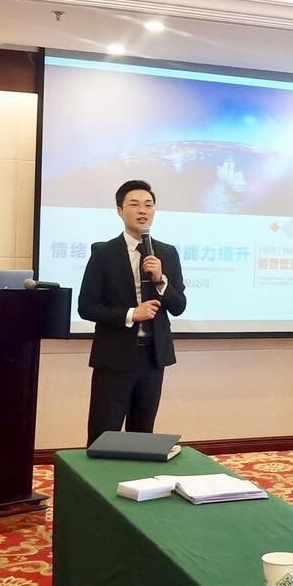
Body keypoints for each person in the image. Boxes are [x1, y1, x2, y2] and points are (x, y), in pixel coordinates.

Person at [78, 180, 186, 442]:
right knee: (104, 433)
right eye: (135, 204)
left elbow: (179, 306)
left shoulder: (167, 253)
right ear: (119, 210)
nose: (143, 211)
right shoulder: (103, 253)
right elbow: (86, 307)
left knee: (142, 435)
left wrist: (161, 281)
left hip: (152, 356)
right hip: (114, 356)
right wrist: (130, 314)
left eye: (148, 205)